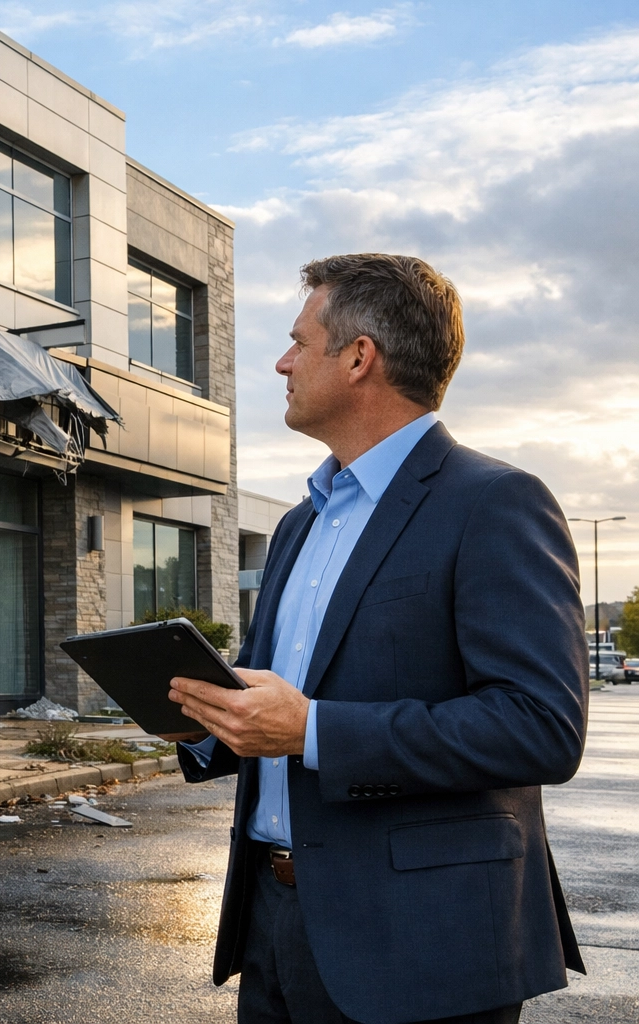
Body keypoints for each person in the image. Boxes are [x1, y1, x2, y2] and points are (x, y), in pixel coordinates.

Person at [164, 254, 587, 1024]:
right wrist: (210, 719)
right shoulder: (298, 524)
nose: (282, 362)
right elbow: (277, 701)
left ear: (360, 357)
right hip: (272, 922)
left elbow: (540, 727)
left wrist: (313, 729)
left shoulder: (495, 503)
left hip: (424, 944)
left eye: (300, 341)